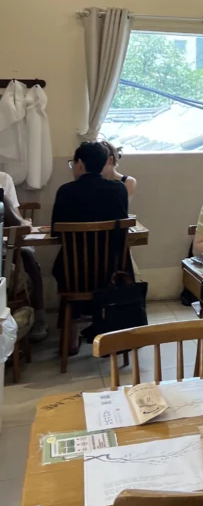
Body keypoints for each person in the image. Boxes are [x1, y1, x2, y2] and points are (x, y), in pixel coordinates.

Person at [50, 142, 130, 352]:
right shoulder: (119, 189)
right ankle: (111, 334)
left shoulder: (65, 191)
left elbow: (56, 232)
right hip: (110, 271)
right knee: (111, 264)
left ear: (80, 164)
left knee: (70, 266)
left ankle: (71, 339)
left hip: (74, 274)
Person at [0, 170, 47, 341]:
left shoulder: (4, 179)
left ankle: (39, 316)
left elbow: (15, 218)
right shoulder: (1, 194)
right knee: (27, 258)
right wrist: (25, 224)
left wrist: (21, 223)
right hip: (4, 252)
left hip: (6, 247)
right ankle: (39, 318)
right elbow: (19, 223)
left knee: (26, 256)